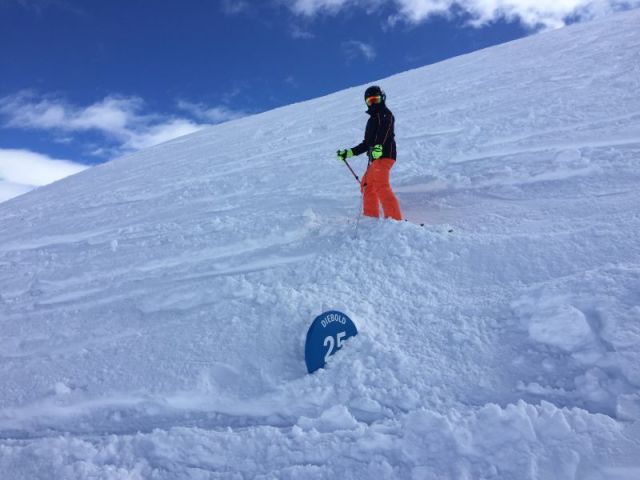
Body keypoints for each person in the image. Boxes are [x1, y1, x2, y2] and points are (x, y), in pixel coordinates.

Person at [337, 85, 403, 221]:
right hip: (375, 158)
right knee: (366, 185)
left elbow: (385, 132)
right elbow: (367, 144)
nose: (373, 104)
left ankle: (395, 221)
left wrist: (378, 148)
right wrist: (348, 153)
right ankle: (370, 217)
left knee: (381, 186)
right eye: (370, 101)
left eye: (376, 100)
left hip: (385, 156)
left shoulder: (386, 114)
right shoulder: (372, 120)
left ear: (382, 99)